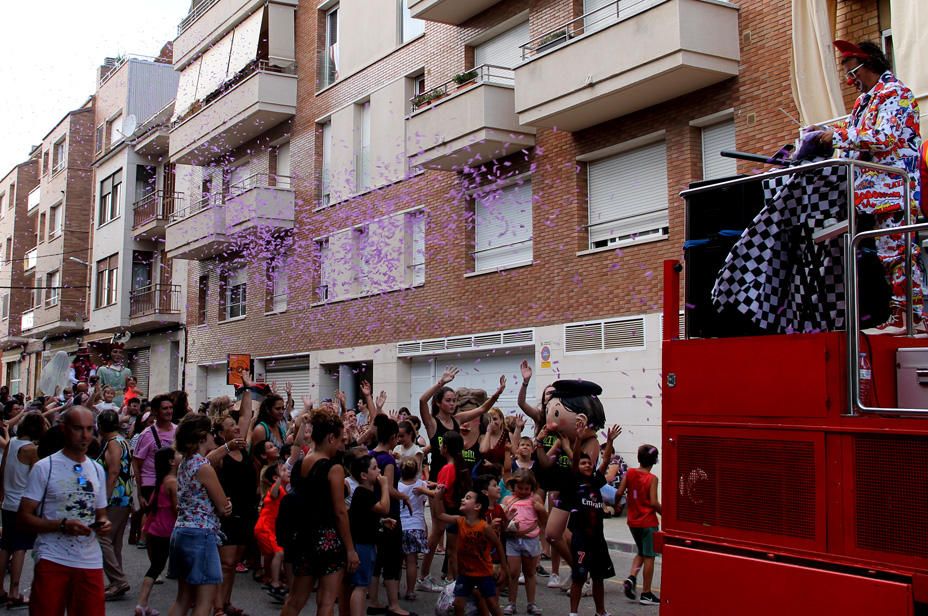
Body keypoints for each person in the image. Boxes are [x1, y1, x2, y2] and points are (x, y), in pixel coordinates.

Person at [814, 40, 924, 334]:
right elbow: (855, 142)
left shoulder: (894, 93)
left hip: (895, 189)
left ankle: (913, 318)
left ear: (870, 64)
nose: (850, 82)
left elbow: (884, 137)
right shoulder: (865, 101)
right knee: (889, 255)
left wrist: (836, 135)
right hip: (875, 193)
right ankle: (903, 315)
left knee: (900, 254)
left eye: (853, 73)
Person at [18, 407, 112, 616]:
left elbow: (101, 512)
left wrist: (104, 523)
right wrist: (60, 525)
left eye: (90, 429)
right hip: (53, 558)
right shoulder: (44, 467)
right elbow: (23, 516)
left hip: (90, 561)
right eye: (78, 429)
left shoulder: (96, 469)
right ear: (64, 429)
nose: (85, 435)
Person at [280, 407, 359, 616]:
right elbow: (340, 511)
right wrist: (350, 549)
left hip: (303, 537)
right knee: (326, 601)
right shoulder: (333, 468)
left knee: (295, 599)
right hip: (328, 537)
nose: (342, 444)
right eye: (341, 439)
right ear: (331, 437)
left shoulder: (301, 464)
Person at [167, 414, 232, 616]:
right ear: (202, 436)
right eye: (211, 432)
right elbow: (223, 506)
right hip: (201, 533)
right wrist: (227, 504)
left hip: (181, 530)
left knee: (183, 598)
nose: (214, 436)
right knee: (205, 601)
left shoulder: (185, 462)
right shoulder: (203, 466)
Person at [210, 376, 255, 616]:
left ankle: (226, 602)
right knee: (225, 563)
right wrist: (226, 448)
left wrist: (246, 389)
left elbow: (246, 415)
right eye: (231, 427)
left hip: (246, 510)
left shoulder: (240, 446)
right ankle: (217, 607)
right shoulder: (219, 453)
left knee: (234, 559)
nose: (237, 428)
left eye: (236, 426)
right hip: (227, 512)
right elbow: (206, 463)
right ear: (220, 432)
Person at [367, 415, 413, 616]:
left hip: (373, 509)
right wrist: (404, 496)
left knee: (376, 559)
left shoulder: (370, 455)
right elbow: (389, 485)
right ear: (393, 437)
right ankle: (394, 604)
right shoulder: (387, 459)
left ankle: (374, 600)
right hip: (389, 510)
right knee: (392, 558)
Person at [434, 488, 505, 616]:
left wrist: (504, 569)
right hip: (465, 573)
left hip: (483, 573)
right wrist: (438, 498)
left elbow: (498, 545)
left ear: (477, 506)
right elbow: (440, 515)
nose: (462, 499)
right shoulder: (460, 521)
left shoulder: (484, 527)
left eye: (467, 498)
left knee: (492, 604)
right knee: (458, 604)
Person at [0, 412, 46, 609]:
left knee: (5, 545)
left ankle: (1, 589)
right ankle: (14, 591)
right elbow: (39, 479)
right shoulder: (31, 450)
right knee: (20, 547)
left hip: (8, 502)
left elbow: (2, 470)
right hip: (22, 504)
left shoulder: (12, 443)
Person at [135, 447, 179, 616]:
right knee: (172, 566)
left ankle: (142, 603)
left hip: (155, 529)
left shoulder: (161, 481)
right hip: (167, 530)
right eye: (176, 455)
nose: (179, 456)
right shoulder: (172, 482)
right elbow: (177, 509)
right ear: (171, 461)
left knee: (155, 567)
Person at [618, 444, 662, 607]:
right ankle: (647, 593)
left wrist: (616, 504)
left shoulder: (630, 473)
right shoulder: (652, 479)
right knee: (649, 555)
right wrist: (666, 514)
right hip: (648, 522)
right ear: (655, 461)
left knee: (641, 552)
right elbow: (653, 502)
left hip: (633, 522)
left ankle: (631, 577)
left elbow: (619, 492)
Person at [96, 410, 133, 600]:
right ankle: (116, 580)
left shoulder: (113, 444)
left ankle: (118, 580)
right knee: (115, 541)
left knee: (103, 539)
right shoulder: (122, 440)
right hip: (124, 496)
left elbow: (113, 471)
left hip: (115, 497)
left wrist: (105, 498)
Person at [348, 454, 391, 616]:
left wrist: (381, 522)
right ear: (364, 475)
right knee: (360, 586)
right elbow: (384, 507)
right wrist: (386, 485)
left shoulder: (365, 493)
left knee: (361, 584)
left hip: (366, 542)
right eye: (374, 468)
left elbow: (366, 516)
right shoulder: (362, 492)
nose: (379, 470)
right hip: (362, 545)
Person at [502, 470, 547, 616]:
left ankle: (531, 603)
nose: (523, 491)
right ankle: (511, 603)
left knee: (530, 573)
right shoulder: (508, 500)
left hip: (531, 540)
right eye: (519, 488)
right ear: (513, 486)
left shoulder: (535, 500)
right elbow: (502, 521)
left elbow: (544, 522)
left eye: (526, 489)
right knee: (513, 573)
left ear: (532, 488)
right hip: (513, 540)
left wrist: (541, 510)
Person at [133, 394, 177, 532]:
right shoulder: (147, 435)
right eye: (165, 408)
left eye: (171, 408)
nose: (169, 411)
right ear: (156, 412)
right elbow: (136, 463)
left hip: (174, 483)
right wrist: (139, 494)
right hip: (151, 484)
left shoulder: (178, 431)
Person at [398, 457, 436, 600]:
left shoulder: (397, 486)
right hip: (416, 526)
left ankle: (394, 589)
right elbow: (437, 489)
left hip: (401, 526)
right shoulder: (421, 484)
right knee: (411, 562)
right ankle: (410, 591)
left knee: (397, 561)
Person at [254, 464, 289, 600]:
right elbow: (274, 493)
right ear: (276, 477)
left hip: (271, 528)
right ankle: (275, 583)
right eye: (283, 470)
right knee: (279, 553)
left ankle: (271, 578)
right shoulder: (277, 489)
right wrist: (279, 480)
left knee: (272, 555)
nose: (287, 472)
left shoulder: (283, 489)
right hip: (265, 527)